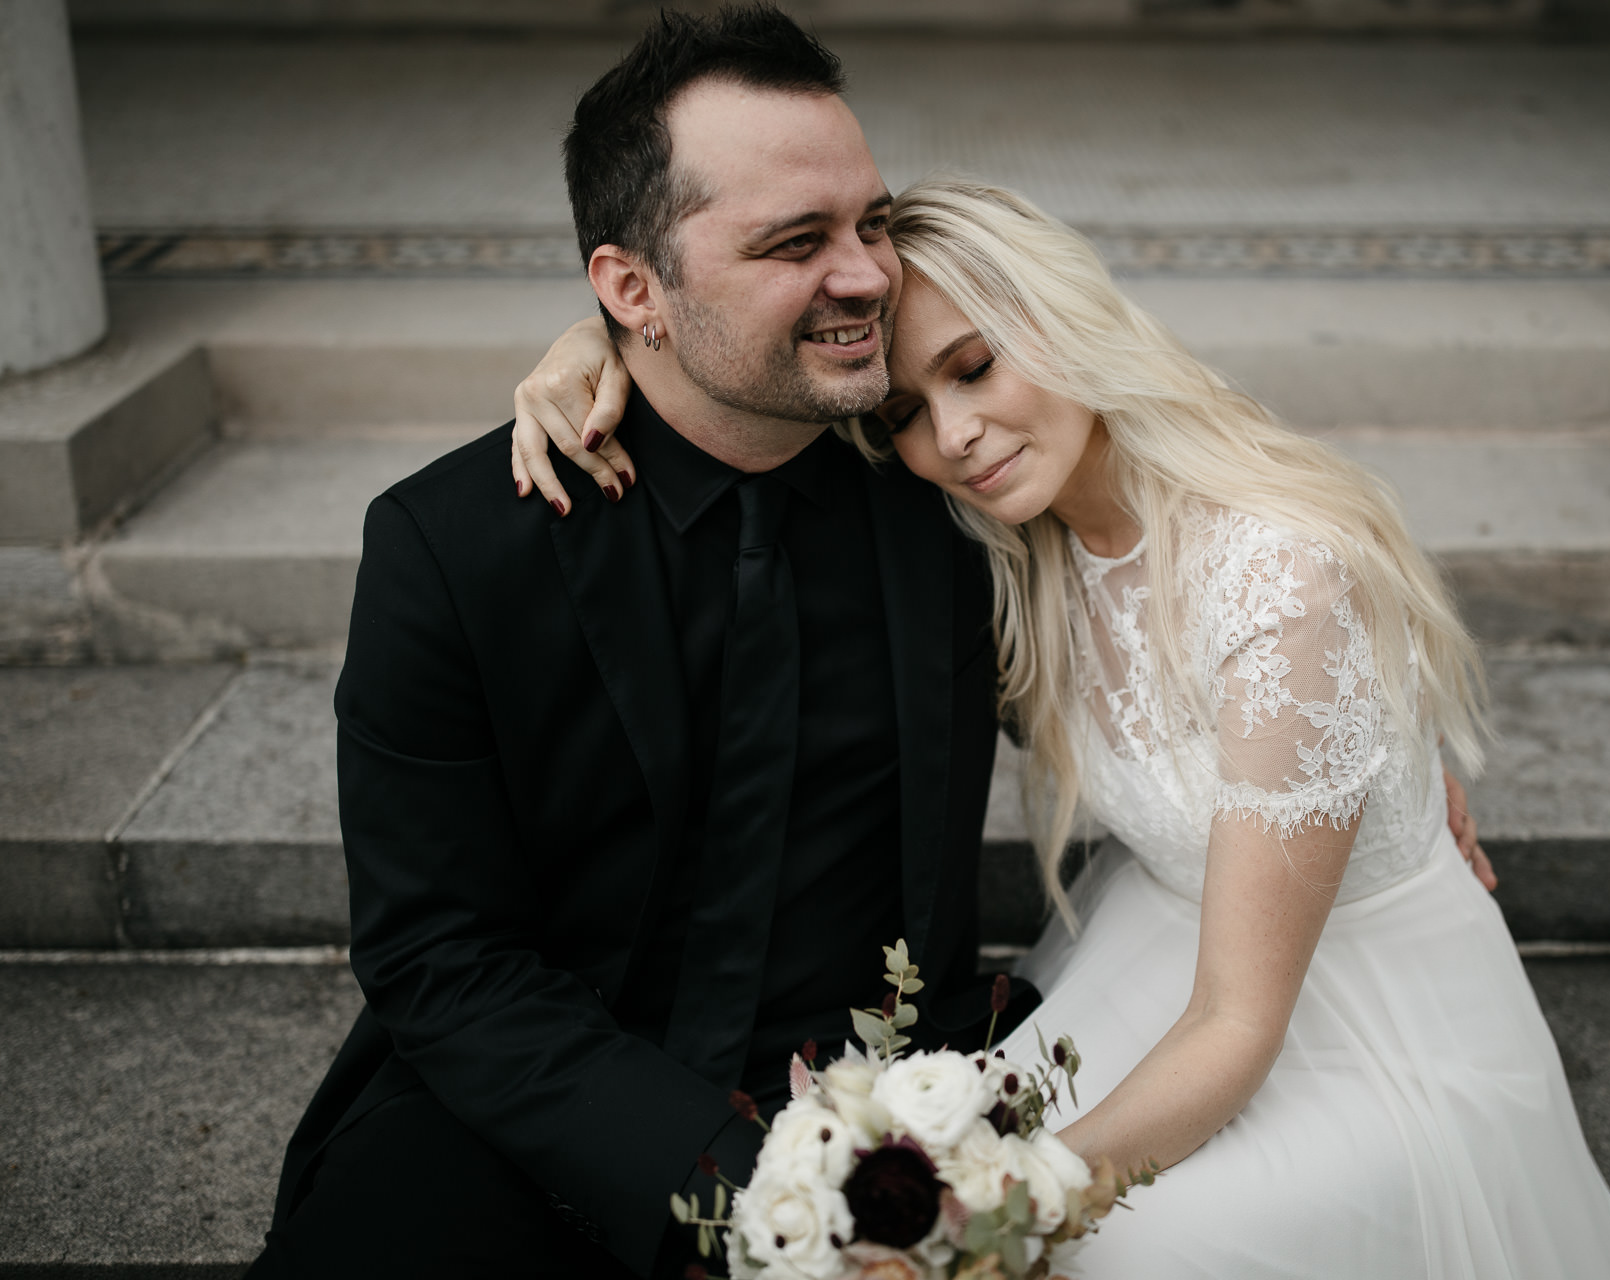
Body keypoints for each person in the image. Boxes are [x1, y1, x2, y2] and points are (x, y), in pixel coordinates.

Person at [518, 179, 1610, 1277]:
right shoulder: (1011, 548)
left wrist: (1009, 1204)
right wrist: (604, 344)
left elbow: (1236, 1023)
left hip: (1363, 1027)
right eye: (906, 413)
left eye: (975, 368)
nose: (956, 436)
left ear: (1062, 320)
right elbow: (753, 366)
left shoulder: (1279, 583)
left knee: (1096, 1243)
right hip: (1169, 952)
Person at [247, 11, 1044, 1278]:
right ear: (631, 290)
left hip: (898, 1093)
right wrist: (732, 1183)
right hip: (546, 1110)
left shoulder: (955, 489)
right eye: (796, 242)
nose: (866, 277)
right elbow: (438, 956)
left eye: (873, 224)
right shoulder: (453, 546)